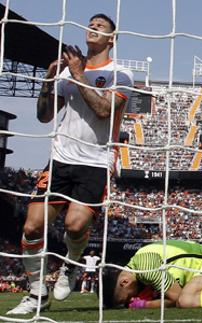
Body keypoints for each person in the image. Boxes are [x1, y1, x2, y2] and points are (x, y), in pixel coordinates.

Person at [7, 14, 134, 315]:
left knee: (75, 226)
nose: (93, 28)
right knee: (32, 226)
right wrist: (48, 82)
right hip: (62, 157)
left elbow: (105, 111)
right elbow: (44, 116)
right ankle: (37, 292)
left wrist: (79, 74)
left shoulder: (121, 74)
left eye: (100, 27)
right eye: (90, 25)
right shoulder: (66, 72)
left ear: (111, 39)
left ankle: (71, 265)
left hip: (95, 161)